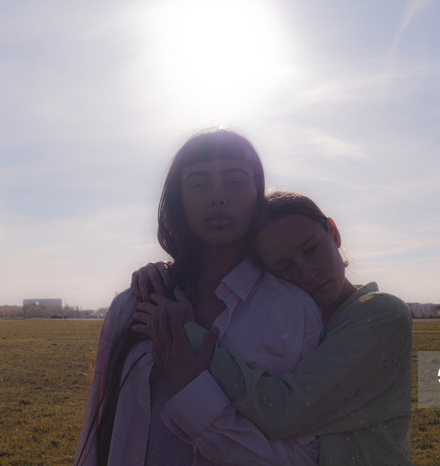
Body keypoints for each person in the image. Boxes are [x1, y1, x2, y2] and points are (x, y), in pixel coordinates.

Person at [74, 130, 323, 465]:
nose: (217, 197)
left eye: (235, 181)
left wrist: (193, 389)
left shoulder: (294, 312)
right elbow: (99, 429)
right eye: (198, 184)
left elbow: (304, 456)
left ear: (257, 196)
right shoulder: (133, 304)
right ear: (178, 199)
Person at [133, 191, 413, 465]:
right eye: (285, 266)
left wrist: (188, 336)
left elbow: (282, 410)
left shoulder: (383, 314)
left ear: (334, 233)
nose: (308, 272)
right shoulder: (295, 322)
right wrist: (167, 276)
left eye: (311, 249)